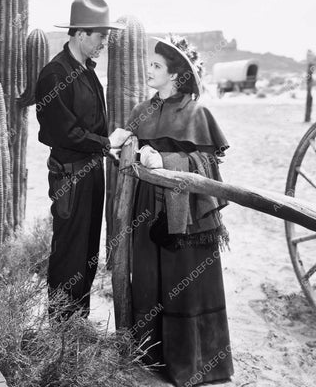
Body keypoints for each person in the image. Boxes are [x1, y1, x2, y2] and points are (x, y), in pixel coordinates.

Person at [125, 36, 234, 386]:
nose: (149, 70)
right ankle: (152, 355)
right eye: (150, 64)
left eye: (156, 65)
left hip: (188, 213)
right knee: (148, 275)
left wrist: (166, 160)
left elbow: (208, 166)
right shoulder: (141, 111)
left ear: (175, 75)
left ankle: (195, 362)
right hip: (147, 206)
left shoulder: (197, 113)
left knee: (184, 279)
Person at [35, 0, 131, 319]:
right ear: (80, 34)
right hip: (69, 175)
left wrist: (106, 145)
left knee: (88, 248)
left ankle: (78, 323)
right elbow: (66, 133)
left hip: (91, 170)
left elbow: (90, 126)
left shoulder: (87, 71)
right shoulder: (54, 74)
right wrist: (106, 143)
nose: (105, 42)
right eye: (101, 35)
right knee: (69, 251)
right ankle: (62, 328)